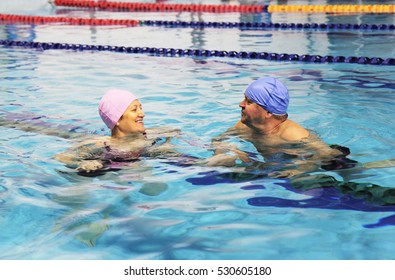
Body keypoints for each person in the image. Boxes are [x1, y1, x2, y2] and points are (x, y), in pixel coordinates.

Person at [54, 89, 180, 173]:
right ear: (117, 119)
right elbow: (61, 158)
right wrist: (85, 163)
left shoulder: (152, 134)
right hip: (107, 171)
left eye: (141, 108)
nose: (142, 114)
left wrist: (168, 144)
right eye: (134, 109)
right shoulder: (101, 144)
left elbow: (175, 131)